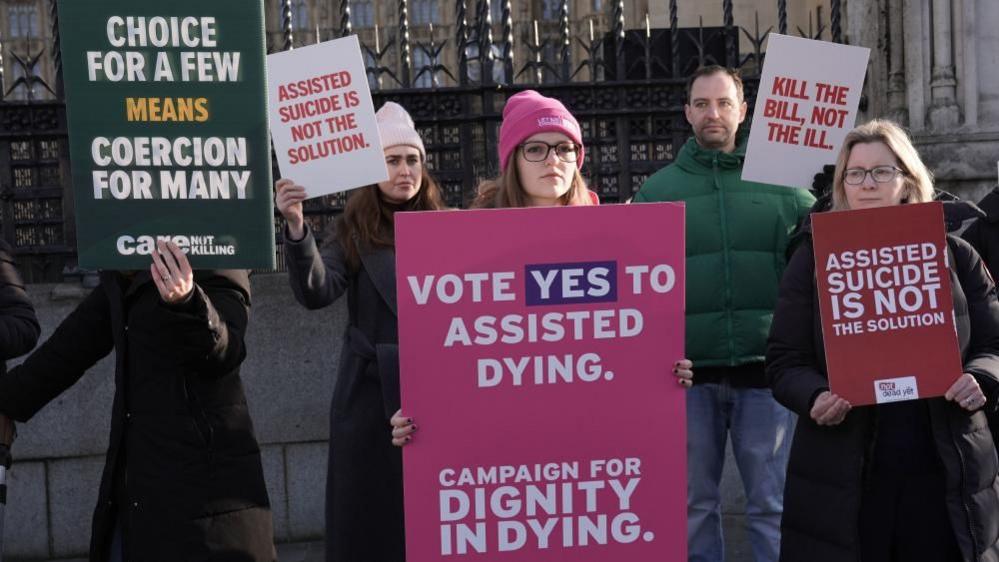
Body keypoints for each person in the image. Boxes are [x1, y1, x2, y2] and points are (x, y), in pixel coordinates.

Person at [392, 89, 693, 442]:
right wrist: (420, 409)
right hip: (505, 436)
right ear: (513, 160)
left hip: (593, 433)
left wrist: (667, 370)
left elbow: (629, 337)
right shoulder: (467, 244)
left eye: (565, 148)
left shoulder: (614, 241)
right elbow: (448, 348)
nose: (553, 160)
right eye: (535, 148)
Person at [766, 118, 999, 562]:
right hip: (846, 472)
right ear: (842, 184)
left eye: (881, 171)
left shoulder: (956, 252)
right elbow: (783, 361)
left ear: (908, 181)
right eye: (854, 173)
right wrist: (814, 395)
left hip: (946, 464)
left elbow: (994, 343)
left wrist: (981, 378)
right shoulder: (811, 258)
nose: (866, 184)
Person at [631, 65, 815, 562]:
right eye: (702, 104)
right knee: (693, 505)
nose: (714, 113)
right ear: (687, 111)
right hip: (687, 379)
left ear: (743, 110)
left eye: (724, 103)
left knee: (772, 506)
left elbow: (813, 281)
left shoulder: (790, 189)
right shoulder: (655, 192)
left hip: (766, 375)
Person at [0, 241, 273, 562]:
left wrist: (187, 301)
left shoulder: (215, 249)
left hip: (205, 499)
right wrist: (8, 399)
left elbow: (225, 351)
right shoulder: (127, 269)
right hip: (140, 489)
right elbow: (69, 349)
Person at [274, 101, 447, 562]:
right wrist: (296, 226)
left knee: (433, 517)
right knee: (370, 520)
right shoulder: (351, 232)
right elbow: (317, 290)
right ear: (373, 167)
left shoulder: (447, 230)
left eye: (413, 160)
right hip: (369, 398)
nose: (405, 170)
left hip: (435, 393)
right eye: (392, 160)